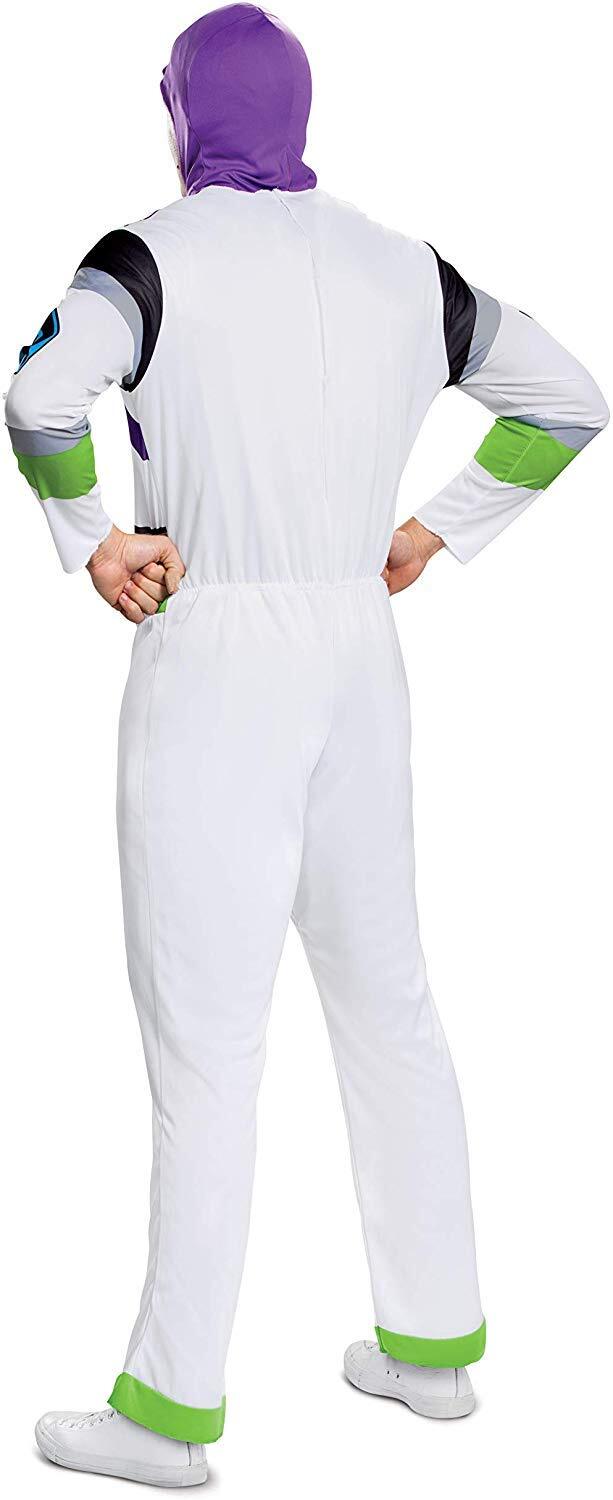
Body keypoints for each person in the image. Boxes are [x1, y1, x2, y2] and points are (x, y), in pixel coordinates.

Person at [6, 4, 607, 1488]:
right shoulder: (404, 265)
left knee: (206, 1044)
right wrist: (434, 529)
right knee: (389, 1001)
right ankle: (433, 1348)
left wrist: (92, 538)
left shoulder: (146, 261)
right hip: (358, 658)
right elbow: (566, 399)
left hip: (215, 653)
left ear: (181, 113)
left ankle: (166, 1417)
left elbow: (37, 395)